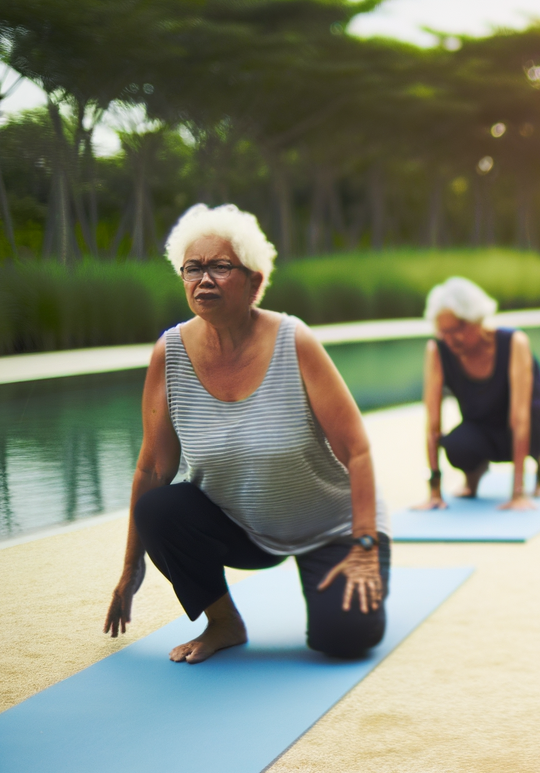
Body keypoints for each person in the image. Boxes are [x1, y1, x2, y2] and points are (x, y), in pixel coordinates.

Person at [103, 204, 390, 664]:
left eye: (221, 267)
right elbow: (153, 469)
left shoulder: (294, 340)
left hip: (328, 527)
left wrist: (363, 545)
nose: (204, 280)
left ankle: (345, 577)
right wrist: (130, 567)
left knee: (345, 639)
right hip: (242, 528)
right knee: (159, 507)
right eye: (193, 268)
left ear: (255, 282)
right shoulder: (169, 352)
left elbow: (357, 450)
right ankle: (224, 623)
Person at [413, 277, 540, 511]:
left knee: (534, 422)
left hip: (533, 421)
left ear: (476, 320)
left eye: (457, 330)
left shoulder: (514, 342)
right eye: (444, 333)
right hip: (484, 424)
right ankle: (474, 474)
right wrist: (434, 491)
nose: (451, 340)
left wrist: (517, 493)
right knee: (455, 444)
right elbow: (432, 423)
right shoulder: (437, 350)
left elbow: (520, 417)